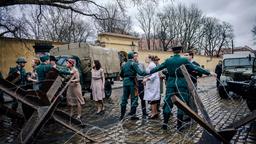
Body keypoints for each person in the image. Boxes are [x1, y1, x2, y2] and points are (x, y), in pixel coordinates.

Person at [149, 46, 214, 130]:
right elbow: (196, 68)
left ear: (173, 51)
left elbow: (158, 68)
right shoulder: (184, 60)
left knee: (168, 103)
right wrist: (208, 72)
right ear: (180, 51)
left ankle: (165, 124)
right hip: (182, 84)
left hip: (171, 83)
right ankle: (179, 125)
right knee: (182, 103)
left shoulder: (168, 60)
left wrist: (148, 72)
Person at [119, 51, 147, 121]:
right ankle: (133, 115)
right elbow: (140, 73)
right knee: (134, 98)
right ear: (132, 57)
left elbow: (121, 74)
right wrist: (148, 72)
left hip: (125, 82)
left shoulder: (124, 64)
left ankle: (122, 115)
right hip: (132, 82)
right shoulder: (133, 63)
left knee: (124, 98)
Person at [131, 52, 147, 117]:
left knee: (142, 97)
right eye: (134, 56)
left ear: (137, 56)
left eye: (136, 56)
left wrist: (144, 80)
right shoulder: (131, 65)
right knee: (134, 97)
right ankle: (133, 113)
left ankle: (144, 112)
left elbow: (144, 72)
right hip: (134, 82)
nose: (135, 57)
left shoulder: (141, 64)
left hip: (140, 82)